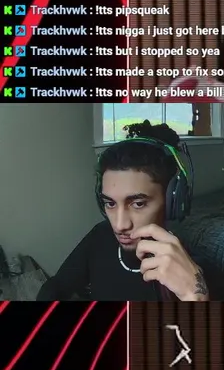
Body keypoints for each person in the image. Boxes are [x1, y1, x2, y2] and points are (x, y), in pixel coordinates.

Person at [36, 121, 210, 301]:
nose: (119, 225)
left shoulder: (193, 273)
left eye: (138, 204)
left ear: (172, 201)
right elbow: (57, 286)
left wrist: (195, 296)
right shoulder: (100, 235)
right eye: (110, 203)